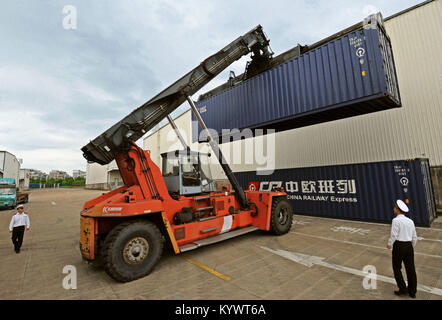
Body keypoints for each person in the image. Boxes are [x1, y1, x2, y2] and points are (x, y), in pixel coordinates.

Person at [386, 199, 418, 298]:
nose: (393, 208)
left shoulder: (395, 220)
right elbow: (414, 237)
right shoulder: (410, 221)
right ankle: (412, 292)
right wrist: (410, 246)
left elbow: (394, 235)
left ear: (398, 210)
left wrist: (389, 244)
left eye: (395, 207)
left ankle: (403, 289)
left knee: (396, 268)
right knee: (410, 269)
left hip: (399, 246)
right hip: (409, 246)